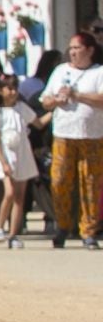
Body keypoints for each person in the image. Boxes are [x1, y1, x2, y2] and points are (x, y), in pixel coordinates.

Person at [41, 30, 103, 249]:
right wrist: (56, 100)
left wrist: (78, 96)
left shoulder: (98, 72)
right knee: (59, 181)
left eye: (78, 48)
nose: (73, 52)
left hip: (92, 136)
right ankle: (62, 225)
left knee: (91, 183)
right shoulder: (60, 71)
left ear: (90, 50)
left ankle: (89, 231)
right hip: (63, 134)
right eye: (71, 48)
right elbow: (45, 100)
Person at [0, 74, 40, 250]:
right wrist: (2, 161)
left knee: (20, 197)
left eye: (15, 88)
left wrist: (56, 110)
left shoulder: (22, 109)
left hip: (23, 156)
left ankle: (13, 234)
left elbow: (38, 123)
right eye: (9, 88)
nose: (13, 92)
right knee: (9, 193)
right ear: (0, 91)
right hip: (7, 158)